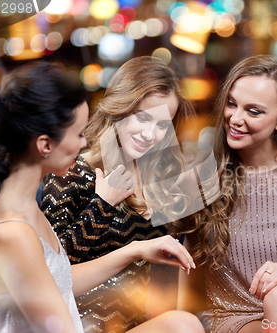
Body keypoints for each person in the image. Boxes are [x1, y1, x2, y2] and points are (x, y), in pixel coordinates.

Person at [0, 62, 204, 333]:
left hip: (124, 318)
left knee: (183, 323)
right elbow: (61, 306)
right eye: (80, 134)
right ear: (45, 144)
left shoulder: (27, 213)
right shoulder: (16, 228)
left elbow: (59, 280)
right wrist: (102, 207)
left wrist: (136, 250)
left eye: (163, 125)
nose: (85, 143)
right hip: (88, 323)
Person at [180, 55, 277, 333]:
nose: (235, 118)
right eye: (231, 104)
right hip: (234, 321)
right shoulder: (201, 180)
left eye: (253, 111)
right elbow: (178, 281)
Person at [40, 56, 198, 331]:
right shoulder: (72, 171)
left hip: (132, 325)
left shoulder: (159, 180)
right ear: (120, 108)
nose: (150, 134)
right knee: (183, 325)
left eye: (162, 125)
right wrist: (102, 204)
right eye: (143, 118)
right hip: (75, 324)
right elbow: (54, 272)